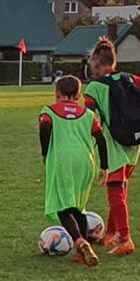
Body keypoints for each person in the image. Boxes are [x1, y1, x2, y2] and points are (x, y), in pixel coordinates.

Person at [81, 38, 140, 256]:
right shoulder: (129, 78)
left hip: (113, 146)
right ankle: (110, 234)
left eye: (92, 66)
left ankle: (125, 239)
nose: (91, 70)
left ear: (98, 65)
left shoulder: (94, 88)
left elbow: (91, 118)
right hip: (134, 143)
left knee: (115, 192)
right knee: (119, 189)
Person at [39, 74, 110, 268]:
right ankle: (81, 253)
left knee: (62, 206)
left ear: (56, 93)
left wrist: (45, 152)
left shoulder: (49, 111)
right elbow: (101, 139)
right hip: (86, 163)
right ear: (79, 96)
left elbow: (45, 128)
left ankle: (80, 241)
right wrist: (104, 166)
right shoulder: (88, 114)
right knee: (78, 207)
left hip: (62, 160)